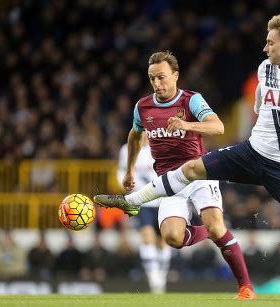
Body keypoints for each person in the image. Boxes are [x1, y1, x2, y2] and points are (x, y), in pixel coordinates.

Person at [95, 15, 280, 300]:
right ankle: (130, 202)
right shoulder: (265, 68)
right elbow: (259, 99)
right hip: (251, 151)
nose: (264, 48)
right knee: (192, 167)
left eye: (269, 43)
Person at [96, 51, 255, 300]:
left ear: (175, 75)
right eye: (152, 79)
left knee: (216, 227)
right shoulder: (143, 107)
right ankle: (210, 229)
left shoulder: (191, 100)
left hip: (199, 174)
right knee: (172, 238)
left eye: (161, 77)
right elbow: (134, 136)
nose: (157, 84)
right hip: (168, 182)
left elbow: (218, 126)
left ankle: (245, 287)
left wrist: (187, 124)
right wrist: (128, 170)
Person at [117, 141, 172, 293]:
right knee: (148, 238)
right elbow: (121, 171)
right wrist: (126, 185)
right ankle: (154, 282)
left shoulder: (163, 144)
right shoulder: (127, 148)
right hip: (142, 201)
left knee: (164, 241)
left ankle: (162, 278)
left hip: (163, 200)